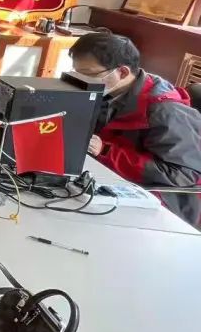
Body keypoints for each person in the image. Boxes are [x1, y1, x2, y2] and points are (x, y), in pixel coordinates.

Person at [70, 31, 201, 226]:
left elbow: (183, 175)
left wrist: (106, 151)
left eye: (88, 74)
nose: (82, 80)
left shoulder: (165, 110)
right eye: (77, 72)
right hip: (111, 178)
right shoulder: (112, 90)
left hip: (162, 200)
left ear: (122, 72)